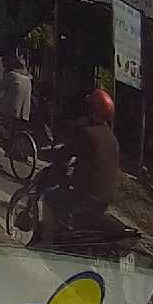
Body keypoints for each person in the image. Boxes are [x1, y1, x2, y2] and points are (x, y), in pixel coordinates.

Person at [45, 89, 122, 239]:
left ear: (92, 111)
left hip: (87, 196)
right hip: (105, 198)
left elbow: (67, 152)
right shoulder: (112, 139)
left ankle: (50, 239)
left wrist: (51, 154)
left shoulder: (88, 133)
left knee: (51, 196)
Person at [0, 53, 33, 138]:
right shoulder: (28, 78)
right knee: (15, 128)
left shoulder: (12, 75)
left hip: (12, 109)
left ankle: (4, 137)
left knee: (3, 118)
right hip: (24, 111)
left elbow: (0, 86)